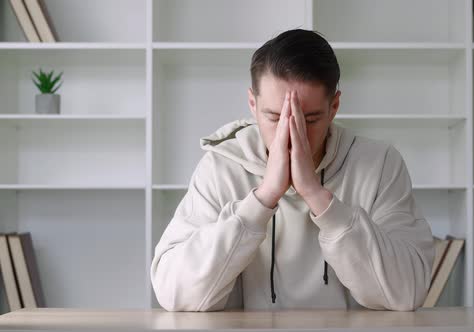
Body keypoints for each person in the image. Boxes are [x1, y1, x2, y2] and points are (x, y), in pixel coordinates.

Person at [151, 29, 434, 312]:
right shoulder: (221, 166)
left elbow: (406, 293)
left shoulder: (379, 163)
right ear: (252, 103)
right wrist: (263, 198)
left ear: (334, 106)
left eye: (309, 120)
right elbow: (175, 294)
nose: (290, 133)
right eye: (274, 117)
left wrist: (317, 196)